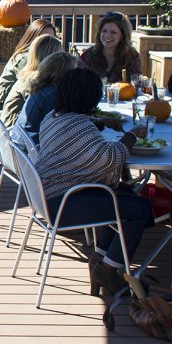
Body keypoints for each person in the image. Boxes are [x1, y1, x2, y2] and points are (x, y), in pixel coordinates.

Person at [35, 67, 152, 298]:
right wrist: (133, 135)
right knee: (140, 209)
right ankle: (109, 270)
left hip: (48, 196)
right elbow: (111, 158)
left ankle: (100, 258)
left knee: (123, 194)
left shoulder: (53, 117)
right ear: (89, 98)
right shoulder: (80, 127)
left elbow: (79, 134)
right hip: (62, 204)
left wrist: (101, 122)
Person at [0, 18, 57, 113]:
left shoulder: (31, 56)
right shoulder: (26, 59)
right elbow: (34, 89)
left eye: (51, 39)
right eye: (42, 39)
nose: (47, 44)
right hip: (3, 111)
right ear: (32, 39)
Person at [0, 35, 64, 128]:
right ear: (52, 58)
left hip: (8, 130)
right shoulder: (35, 80)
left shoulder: (28, 74)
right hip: (13, 133)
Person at [14, 51, 77, 143]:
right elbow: (59, 129)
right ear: (64, 73)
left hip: (22, 143)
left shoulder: (43, 88)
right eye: (75, 71)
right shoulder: (51, 95)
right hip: (32, 149)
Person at [78, 11, 142, 83]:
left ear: (122, 36)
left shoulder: (132, 56)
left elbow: (136, 83)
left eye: (113, 32)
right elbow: (79, 83)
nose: (107, 36)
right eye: (104, 31)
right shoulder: (88, 56)